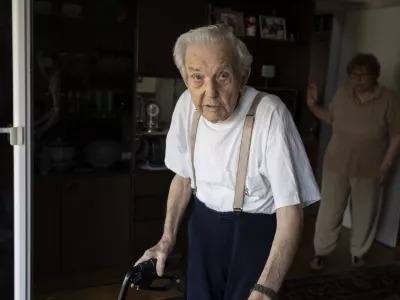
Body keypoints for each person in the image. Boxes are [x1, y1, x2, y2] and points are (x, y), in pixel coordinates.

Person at [135, 24, 320, 300]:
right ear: (185, 78)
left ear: (243, 76)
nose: (209, 91)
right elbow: (183, 179)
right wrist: (166, 240)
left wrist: (266, 288)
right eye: (196, 77)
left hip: (253, 233)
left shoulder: (270, 114)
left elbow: (290, 214)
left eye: (222, 75)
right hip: (203, 226)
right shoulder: (187, 105)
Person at [308, 53, 400, 271]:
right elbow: (330, 117)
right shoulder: (343, 93)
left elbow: (397, 135)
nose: (357, 79)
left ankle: (358, 253)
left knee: (365, 214)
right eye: (353, 75)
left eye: (362, 75)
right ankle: (320, 252)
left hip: (370, 167)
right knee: (329, 211)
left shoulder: (390, 100)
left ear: (375, 75)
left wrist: (386, 166)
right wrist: (312, 106)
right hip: (336, 163)